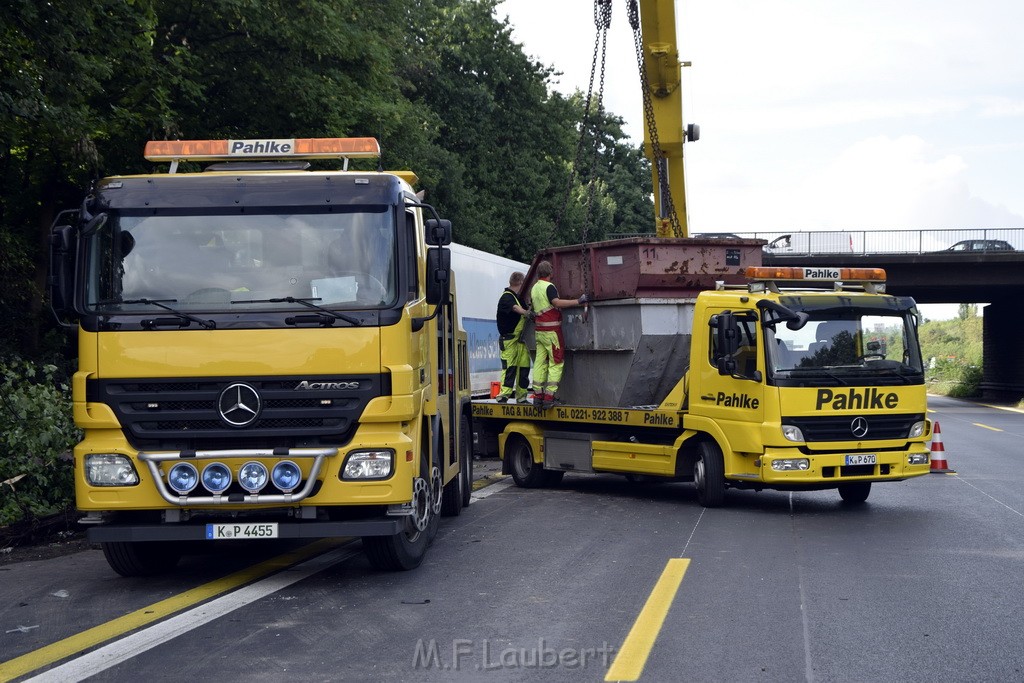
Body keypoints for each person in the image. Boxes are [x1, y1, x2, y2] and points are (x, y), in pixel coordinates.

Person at [529, 260, 588, 409]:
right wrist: (578, 301)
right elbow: (556, 303)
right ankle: (549, 397)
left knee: (540, 362)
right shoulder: (549, 287)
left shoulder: (534, 288)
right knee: (556, 362)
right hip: (552, 332)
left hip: (539, 332)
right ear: (550, 273)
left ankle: (538, 396)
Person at [494, 272, 532, 404]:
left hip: (521, 341)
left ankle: (522, 397)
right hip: (509, 340)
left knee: (524, 368)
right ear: (521, 283)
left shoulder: (518, 297)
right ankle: (503, 395)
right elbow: (516, 309)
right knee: (509, 368)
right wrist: (528, 313)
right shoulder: (507, 297)